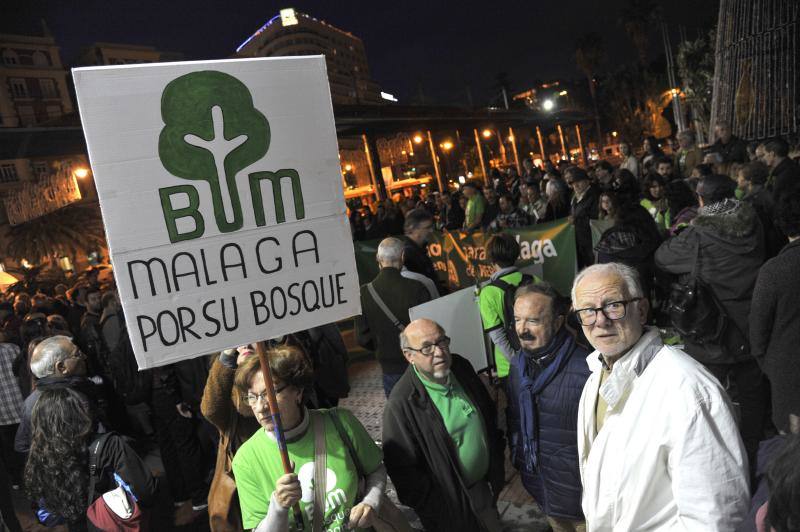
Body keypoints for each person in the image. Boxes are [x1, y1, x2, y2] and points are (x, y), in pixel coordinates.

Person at [572, 263, 749, 531]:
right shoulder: (595, 376)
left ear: (641, 310)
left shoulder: (688, 390)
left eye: (613, 305)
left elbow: (718, 519)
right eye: (588, 310)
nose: (600, 320)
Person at [655, 174, 768, 463]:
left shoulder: (698, 235)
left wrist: (689, 228)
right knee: (753, 395)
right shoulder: (754, 221)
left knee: (708, 398)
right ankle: (753, 451)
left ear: (702, 201)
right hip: (752, 325)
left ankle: (722, 459)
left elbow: (663, 257)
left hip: (713, 328)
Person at [231, 346, 386, 532]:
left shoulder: (340, 422)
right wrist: (278, 507)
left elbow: (375, 469)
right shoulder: (247, 459)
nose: (260, 407)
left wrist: (370, 503)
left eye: (269, 394)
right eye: (252, 397)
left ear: (297, 391)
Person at [382, 318, 505, 532]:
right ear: (409, 355)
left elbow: (487, 414)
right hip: (450, 510)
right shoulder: (401, 405)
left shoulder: (460, 367)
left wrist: (496, 462)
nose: (439, 352)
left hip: (484, 492)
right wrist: (439, 508)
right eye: (427, 348)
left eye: (442, 342)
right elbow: (404, 476)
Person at [507, 284, 590, 532]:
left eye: (533, 321)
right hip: (543, 489)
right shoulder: (517, 366)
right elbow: (515, 419)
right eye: (517, 320)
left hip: (581, 501)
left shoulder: (586, 369)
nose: (522, 329)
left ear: (557, 322)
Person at [24, 387, 157, 531]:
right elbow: (145, 491)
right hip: (115, 524)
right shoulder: (110, 445)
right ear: (78, 413)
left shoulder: (41, 456)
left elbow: (45, 514)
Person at [750, 187, 800, 435]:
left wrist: (769, 366)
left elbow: (758, 331)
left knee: (792, 458)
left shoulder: (774, 271)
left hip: (789, 376)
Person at [356, 237, 431, 397]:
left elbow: (362, 338)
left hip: (390, 367)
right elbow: (430, 327)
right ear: (403, 256)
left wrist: (382, 345)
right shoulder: (417, 288)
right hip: (420, 362)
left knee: (400, 415)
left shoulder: (364, 293)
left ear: (378, 259)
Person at [14, 335, 99, 454]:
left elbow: (21, 445)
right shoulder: (76, 397)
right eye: (77, 354)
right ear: (62, 367)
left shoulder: (30, 402)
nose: (84, 356)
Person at [479, 234, 538, 382]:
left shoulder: (488, 293)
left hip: (509, 367)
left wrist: (517, 363)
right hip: (540, 356)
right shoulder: (534, 280)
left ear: (491, 260)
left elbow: (498, 336)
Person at [738, 161, 786, 258]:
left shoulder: (751, 202)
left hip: (763, 249)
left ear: (749, 180)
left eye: (739, 176)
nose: (737, 180)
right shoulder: (767, 193)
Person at [0, 332, 24, 488]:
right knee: (29, 445)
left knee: (9, 449)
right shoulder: (13, 349)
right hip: (21, 407)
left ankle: (17, 480)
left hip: (2, 414)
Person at [400, 208, 442, 294]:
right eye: (427, 227)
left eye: (432, 227)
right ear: (413, 229)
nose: (431, 230)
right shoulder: (409, 255)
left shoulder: (417, 250)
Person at [566, 166, 599, 268]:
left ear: (587, 181)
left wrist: (576, 221)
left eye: (578, 181)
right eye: (572, 182)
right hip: (580, 241)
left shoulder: (594, 195)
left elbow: (595, 219)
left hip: (591, 242)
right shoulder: (575, 197)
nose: (575, 185)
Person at [762, 137, 800, 201]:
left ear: (772, 154)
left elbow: (776, 201)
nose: (764, 158)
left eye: (764, 154)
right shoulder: (790, 167)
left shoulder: (785, 175)